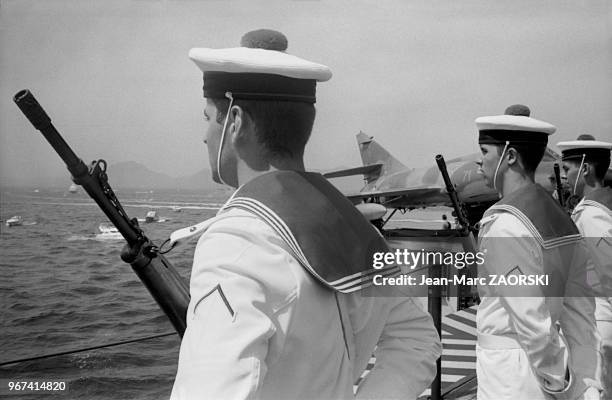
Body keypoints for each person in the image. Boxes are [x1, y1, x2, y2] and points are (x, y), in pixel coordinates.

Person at [170, 29, 441, 400]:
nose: (205, 136)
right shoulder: (357, 230)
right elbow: (417, 337)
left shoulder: (235, 244)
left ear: (235, 122)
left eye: (208, 118)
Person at [473, 104, 601, 399]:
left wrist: (557, 378)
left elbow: (531, 319)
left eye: (485, 151)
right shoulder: (562, 219)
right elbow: (581, 308)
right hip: (549, 365)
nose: (480, 163)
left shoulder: (506, 225)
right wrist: (581, 380)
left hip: (511, 374)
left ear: (510, 156)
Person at [557, 135, 612, 399]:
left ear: (586, 169)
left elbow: (609, 275)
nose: (565, 176)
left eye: (568, 169)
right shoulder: (591, 211)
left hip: (597, 324)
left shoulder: (592, 217)